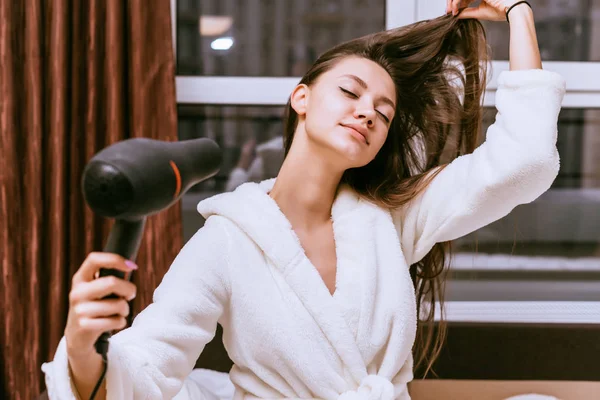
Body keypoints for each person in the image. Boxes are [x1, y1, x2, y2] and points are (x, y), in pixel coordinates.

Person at [42, 1, 566, 399]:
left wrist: (518, 11)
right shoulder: (229, 239)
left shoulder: (390, 220)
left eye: (383, 114)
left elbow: (522, 164)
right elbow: (147, 365)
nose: (367, 113)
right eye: (351, 92)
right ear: (301, 96)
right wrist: (85, 348)